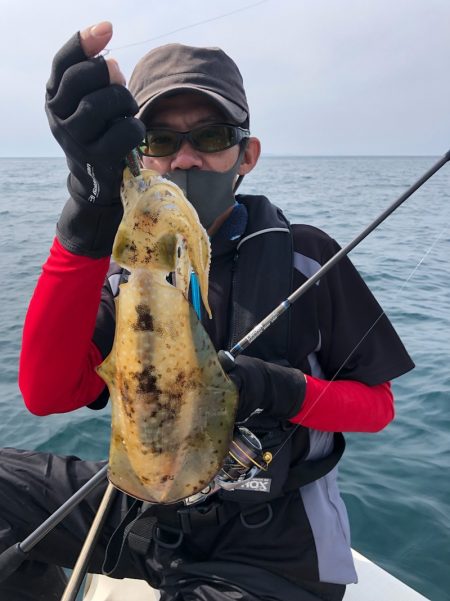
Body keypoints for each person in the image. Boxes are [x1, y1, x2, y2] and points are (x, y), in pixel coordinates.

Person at [0, 20, 414, 601]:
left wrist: (273, 388)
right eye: (159, 140)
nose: (186, 159)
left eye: (212, 137)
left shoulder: (307, 257)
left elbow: (378, 409)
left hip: (271, 539)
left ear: (248, 154)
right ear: (138, 158)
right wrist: (84, 217)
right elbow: (48, 394)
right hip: (147, 506)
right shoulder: (127, 272)